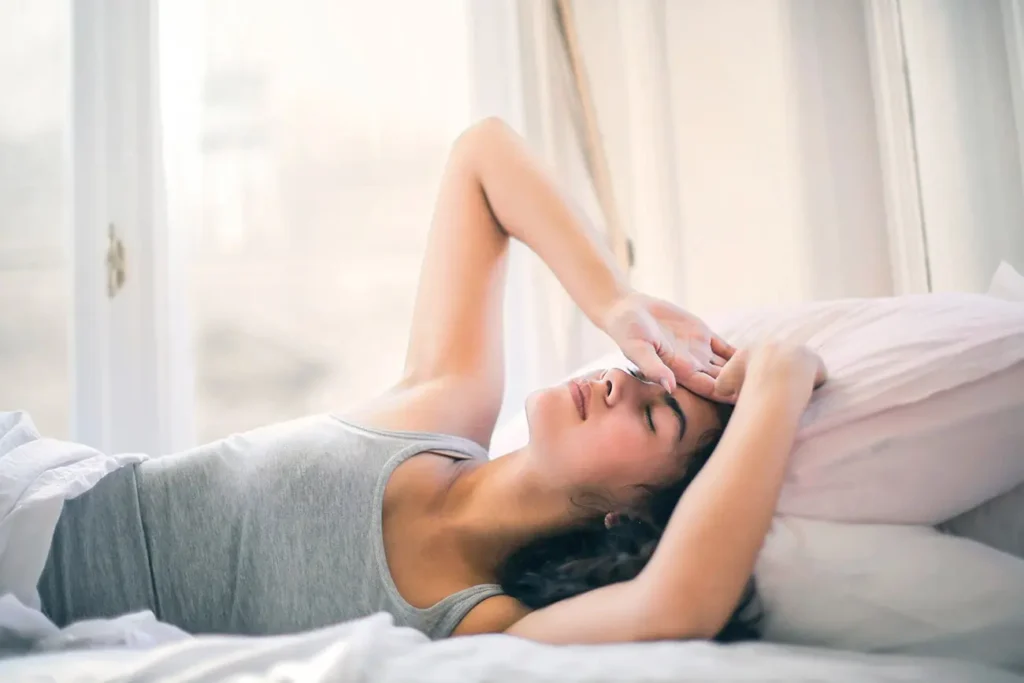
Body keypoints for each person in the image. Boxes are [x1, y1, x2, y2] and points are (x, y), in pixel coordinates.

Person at [37, 118, 826, 644]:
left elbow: (680, 601)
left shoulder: (479, 623)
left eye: (656, 417)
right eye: (641, 372)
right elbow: (483, 155)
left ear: (628, 516)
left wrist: (778, 383)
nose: (626, 382)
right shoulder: (444, 405)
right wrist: (616, 300)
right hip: (36, 501)